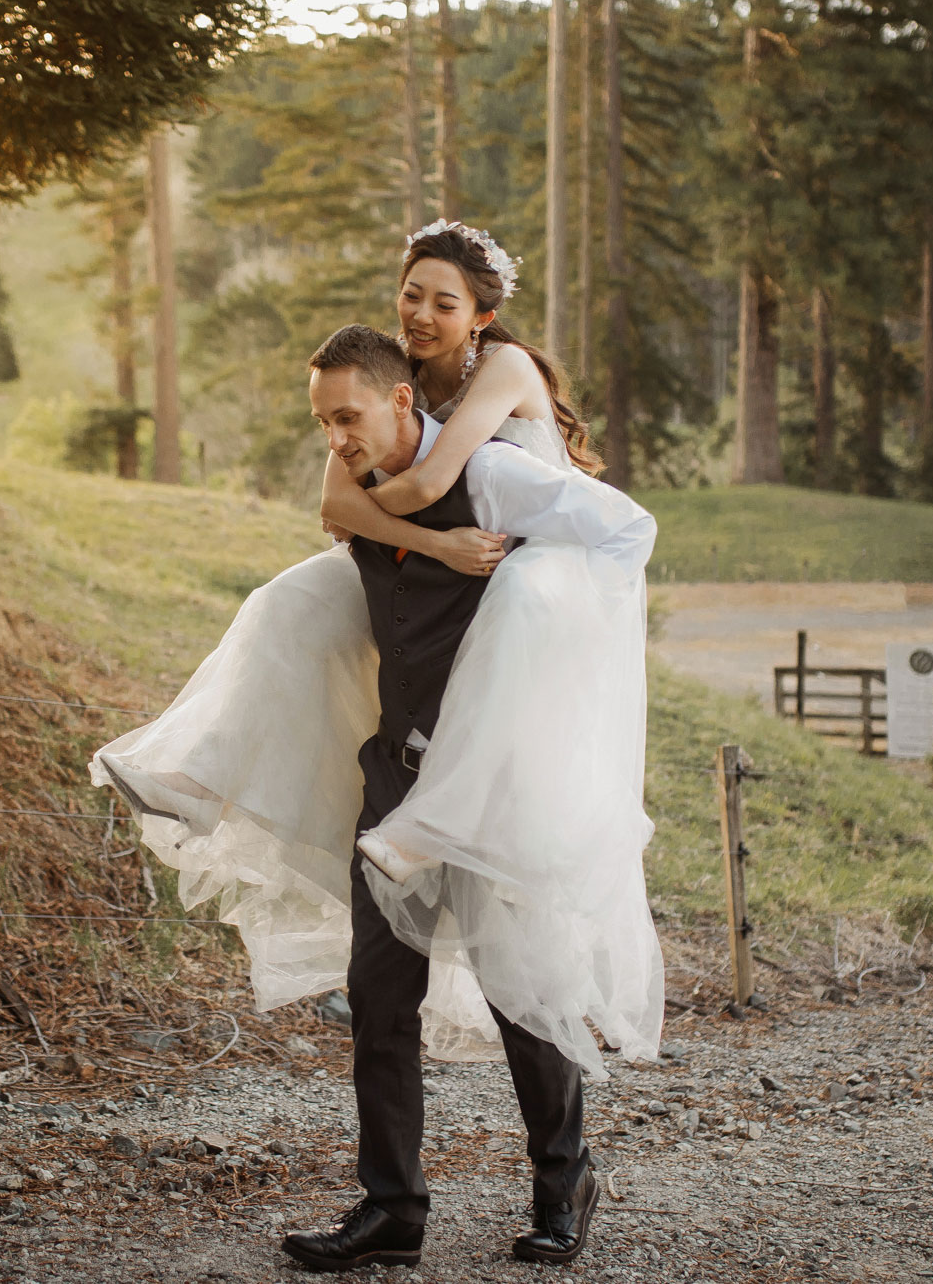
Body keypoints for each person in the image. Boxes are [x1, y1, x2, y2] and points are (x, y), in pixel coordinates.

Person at [92, 221, 662, 1080]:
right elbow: (337, 506)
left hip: (539, 573)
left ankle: (561, 1174)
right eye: (412, 293)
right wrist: (413, 535)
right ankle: (196, 767)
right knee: (292, 601)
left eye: (445, 300)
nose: (422, 313)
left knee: (518, 973)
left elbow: (432, 482)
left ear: (483, 312)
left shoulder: (504, 370)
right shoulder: (378, 378)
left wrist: (386, 510)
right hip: (439, 580)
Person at [273, 322, 654, 1270]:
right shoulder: (361, 491)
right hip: (395, 777)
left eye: (348, 416)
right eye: (322, 422)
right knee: (377, 993)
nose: (337, 439)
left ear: (403, 399)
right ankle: (393, 1207)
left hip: (491, 782)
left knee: (521, 990)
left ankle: (565, 1182)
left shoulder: (490, 474)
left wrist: (526, 586)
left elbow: (625, 531)